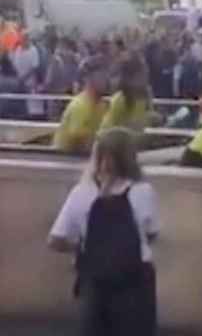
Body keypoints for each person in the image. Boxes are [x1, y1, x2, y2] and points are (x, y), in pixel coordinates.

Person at [48, 128, 160, 336]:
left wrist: (86, 246)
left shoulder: (82, 193)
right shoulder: (143, 191)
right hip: (136, 280)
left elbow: (55, 240)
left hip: (96, 279)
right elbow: (152, 233)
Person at [53, 58, 109, 156]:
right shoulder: (80, 105)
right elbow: (80, 142)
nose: (106, 80)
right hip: (65, 159)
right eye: (101, 77)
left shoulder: (101, 106)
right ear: (88, 79)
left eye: (106, 76)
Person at [102, 56, 160, 132]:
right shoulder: (120, 100)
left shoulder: (147, 94)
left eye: (146, 71)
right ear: (129, 78)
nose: (146, 75)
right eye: (141, 74)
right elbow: (108, 130)